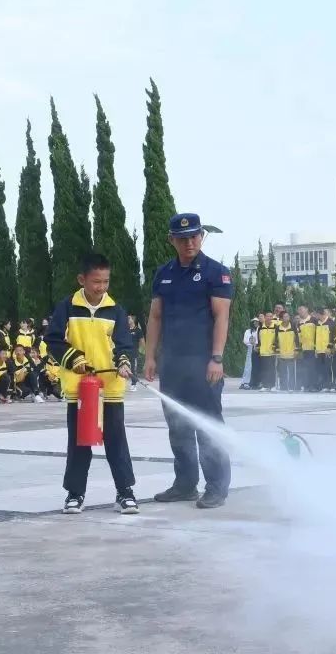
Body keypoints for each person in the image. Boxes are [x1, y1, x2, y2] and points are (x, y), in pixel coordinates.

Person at [144, 213, 233, 510]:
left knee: (208, 425)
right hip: (173, 363)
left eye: (194, 236)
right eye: (182, 238)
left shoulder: (215, 273)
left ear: (201, 237)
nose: (189, 242)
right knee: (178, 426)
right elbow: (155, 316)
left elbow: (222, 316)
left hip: (204, 362)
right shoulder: (163, 274)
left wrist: (217, 358)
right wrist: (151, 356)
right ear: (172, 240)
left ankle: (217, 487)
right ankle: (185, 484)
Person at [44, 252, 137, 515]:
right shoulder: (67, 307)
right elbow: (53, 340)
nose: (101, 288)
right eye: (96, 282)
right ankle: (75, 494)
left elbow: (124, 344)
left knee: (116, 440)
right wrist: (74, 359)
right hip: (81, 389)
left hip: (110, 388)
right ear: (82, 279)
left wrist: (124, 362)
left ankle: (125, 492)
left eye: (106, 282)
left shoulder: (115, 310)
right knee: (80, 442)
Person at [295, 306, 317, 392]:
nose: (300, 311)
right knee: (306, 368)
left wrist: (316, 346)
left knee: (313, 368)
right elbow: (299, 337)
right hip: (304, 348)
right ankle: (307, 385)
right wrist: (299, 348)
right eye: (299, 310)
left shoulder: (313, 320)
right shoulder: (299, 323)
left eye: (301, 309)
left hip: (313, 348)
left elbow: (318, 333)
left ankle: (314, 386)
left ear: (307, 310)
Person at [276, 312, 298, 392]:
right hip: (282, 353)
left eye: (288, 316)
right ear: (281, 318)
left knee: (291, 371)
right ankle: (283, 386)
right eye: (284, 317)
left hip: (291, 352)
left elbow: (297, 339)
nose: (286, 318)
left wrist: (296, 350)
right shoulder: (278, 328)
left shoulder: (293, 326)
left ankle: (291, 386)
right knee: (282, 371)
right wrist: (277, 349)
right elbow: (276, 340)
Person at [314, 308, 335, 392]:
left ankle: (332, 386)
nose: (316, 316)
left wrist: (329, 347)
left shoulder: (331, 323)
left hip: (327, 350)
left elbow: (333, 336)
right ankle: (323, 385)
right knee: (321, 369)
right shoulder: (317, 324)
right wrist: (316, 349)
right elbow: (316, 337)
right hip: (319, 350)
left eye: (317, 315)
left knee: (328, 368)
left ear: (320, 314)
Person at [256, 312, 277, 391]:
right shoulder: (261, 327)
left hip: (272, 351)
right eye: (267, 316)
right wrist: (258, 347)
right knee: (264, 369)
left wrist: (275, 347)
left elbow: (277, 338)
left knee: (272, 369)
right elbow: (258, 339)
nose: (269, 318)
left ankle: (272, 386)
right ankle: (265, 385)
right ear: (265, 317)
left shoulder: (275, 327)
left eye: (271, 316)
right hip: (263, 351)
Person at [240, 319, 258, 390]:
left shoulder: (259, 330)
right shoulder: (248, 331)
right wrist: (251, 342)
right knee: (248, 366)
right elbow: (245, 340)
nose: (256, 323)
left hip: (257, 349)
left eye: (257, 322)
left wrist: (255, 343)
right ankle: (245, 382)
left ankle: (254, 382)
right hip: (250, 349)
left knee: (256, 366)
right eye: (254, 322)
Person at [128, 315, 144, 391]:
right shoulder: (126, 330)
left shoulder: (138, 330)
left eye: (129, 318)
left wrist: (141, 349)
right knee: (123, 367)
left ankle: (134, 384)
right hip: (125, 352)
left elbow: (142, 341)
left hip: (134, 352)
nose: (127, 320)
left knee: (133, 369)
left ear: (133, 320)